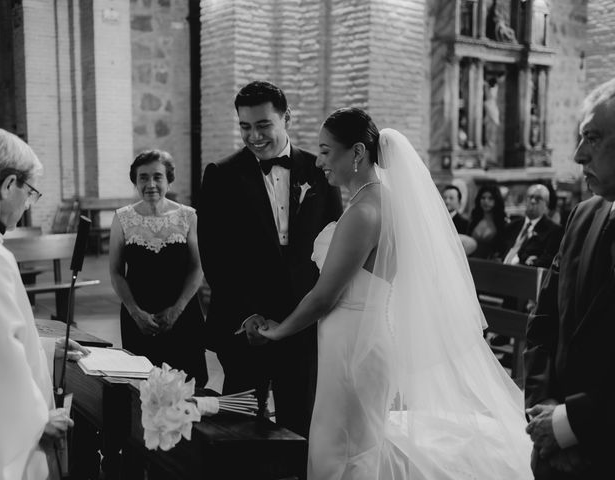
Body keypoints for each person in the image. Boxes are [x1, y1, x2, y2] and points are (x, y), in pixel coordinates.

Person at [258, 108, 533, 479]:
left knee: (340, 448)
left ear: (357, 153)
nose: (319, 161)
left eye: (326, 151)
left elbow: (325, 296)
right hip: (361, 338)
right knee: (358, 444)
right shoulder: (380, 201)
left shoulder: (364, 212)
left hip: (354, 346)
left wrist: (276, 331)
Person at [197, 80, 343, 436]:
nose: (254, 136)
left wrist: (312, 311)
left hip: (304, 322)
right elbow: (215, 256)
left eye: (263, 125)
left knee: (300, 425)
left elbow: (332, 243)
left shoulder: (320, 170)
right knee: (240, 427)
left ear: (286, 118)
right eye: (245, 127)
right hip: (247, 324)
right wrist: (248, 315)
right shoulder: (221, 175)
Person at [0, 124, 89, 480]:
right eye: (30, 192)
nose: (28, 204)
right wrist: (38, 420)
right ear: (8, 185)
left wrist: (46, 346)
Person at [524, 78, 615, 478]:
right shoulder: (582, 216)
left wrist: (571, 424)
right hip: (550, 450)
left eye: (591, 138)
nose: (578, 155)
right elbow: (544, 323)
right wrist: (544, 414)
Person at [109, 150, 207, 386]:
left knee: (188, 387)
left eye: (157, 177)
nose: (150, 184)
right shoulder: (122, 219)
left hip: (183, 313)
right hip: (140, 317)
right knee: (144, 387)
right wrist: (135, 312)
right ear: (135, 181)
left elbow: (197, 268)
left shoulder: (188, 216)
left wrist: (177, 309)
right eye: (143, 177)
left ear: (168, 180)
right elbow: (116, 272)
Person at [503, 184, 562, 268]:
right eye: (530, 197)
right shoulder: (512, 225)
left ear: (546, 204)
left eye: (538, 199)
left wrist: (529, 262)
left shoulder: (554, 230)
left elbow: (548, 260)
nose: (533, 201)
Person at [468, 183, 508, 259]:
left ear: (496, 200)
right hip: (471, 261)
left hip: (491, 264)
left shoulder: (502, 223)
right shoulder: (473, 220)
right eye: (483, 198)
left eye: (490, 198)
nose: (486, 201)